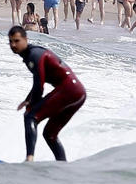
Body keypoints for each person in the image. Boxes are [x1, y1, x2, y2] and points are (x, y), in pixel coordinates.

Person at [9, 25, 86, 163]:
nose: (13, 45)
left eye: (17, 41)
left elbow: (39, 84)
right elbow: (39, 81)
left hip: (69, 89)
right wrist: (28, 100)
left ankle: (29, 159)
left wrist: (32, 105)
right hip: (78, 93)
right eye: (11, 41)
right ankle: (62, 165)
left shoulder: (34, 55)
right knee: (50, 134)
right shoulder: (31, 54)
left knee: (30, 117)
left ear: (26, 39)